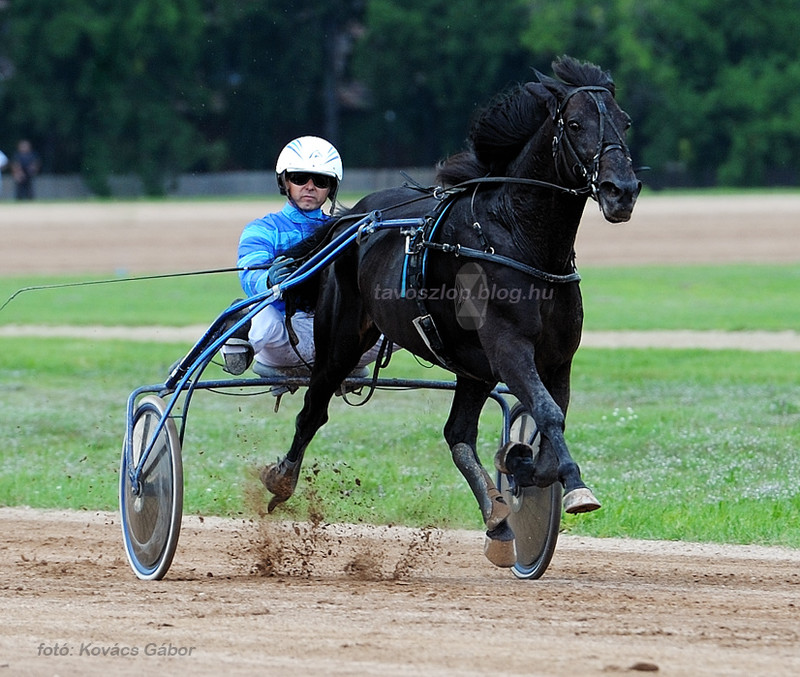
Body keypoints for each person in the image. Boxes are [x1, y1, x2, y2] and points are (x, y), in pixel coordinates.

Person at [222, 135, 381, 375]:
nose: (309, 186)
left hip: (341, 339)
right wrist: (267, 281)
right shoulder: (263, 229)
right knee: (260, 310)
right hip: (284, 338)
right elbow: (249, 273)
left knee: (394, 312)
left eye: (320, 180)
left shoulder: (345, 231)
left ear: (331, 188)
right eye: (298, 178)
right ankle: (237, 348)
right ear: (285, 182)